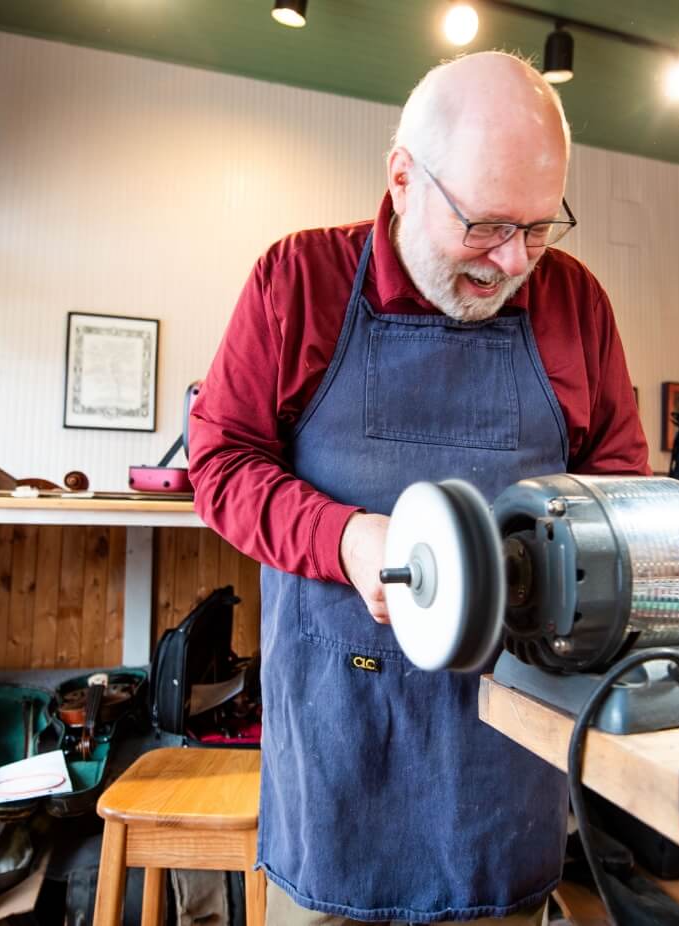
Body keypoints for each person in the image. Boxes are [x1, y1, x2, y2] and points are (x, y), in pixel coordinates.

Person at [189, 51, 649, 925]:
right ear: (402, 178)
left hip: (507, 745)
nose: (512, 260)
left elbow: (618, 487)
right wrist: (344, 537)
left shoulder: (574, 305)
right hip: (341, 732)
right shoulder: (298, 282)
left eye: (540, 227)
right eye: (483, 225)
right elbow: (220, 465)